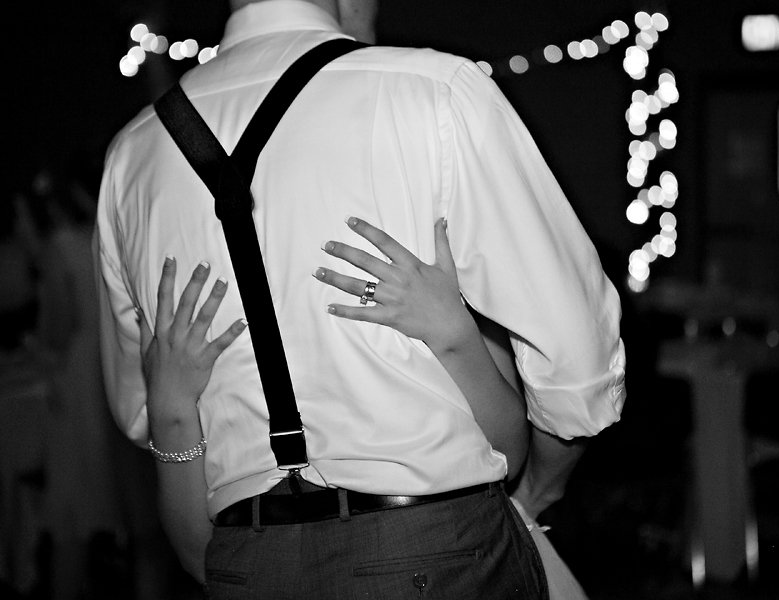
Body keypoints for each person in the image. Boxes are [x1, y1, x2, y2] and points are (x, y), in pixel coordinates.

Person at [95, 0, 625, 597]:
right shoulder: (434, 91)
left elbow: (146, 414)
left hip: (247, 561)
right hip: (436, 551)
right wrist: (537, 493)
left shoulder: (131, 155)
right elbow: (577, 365)